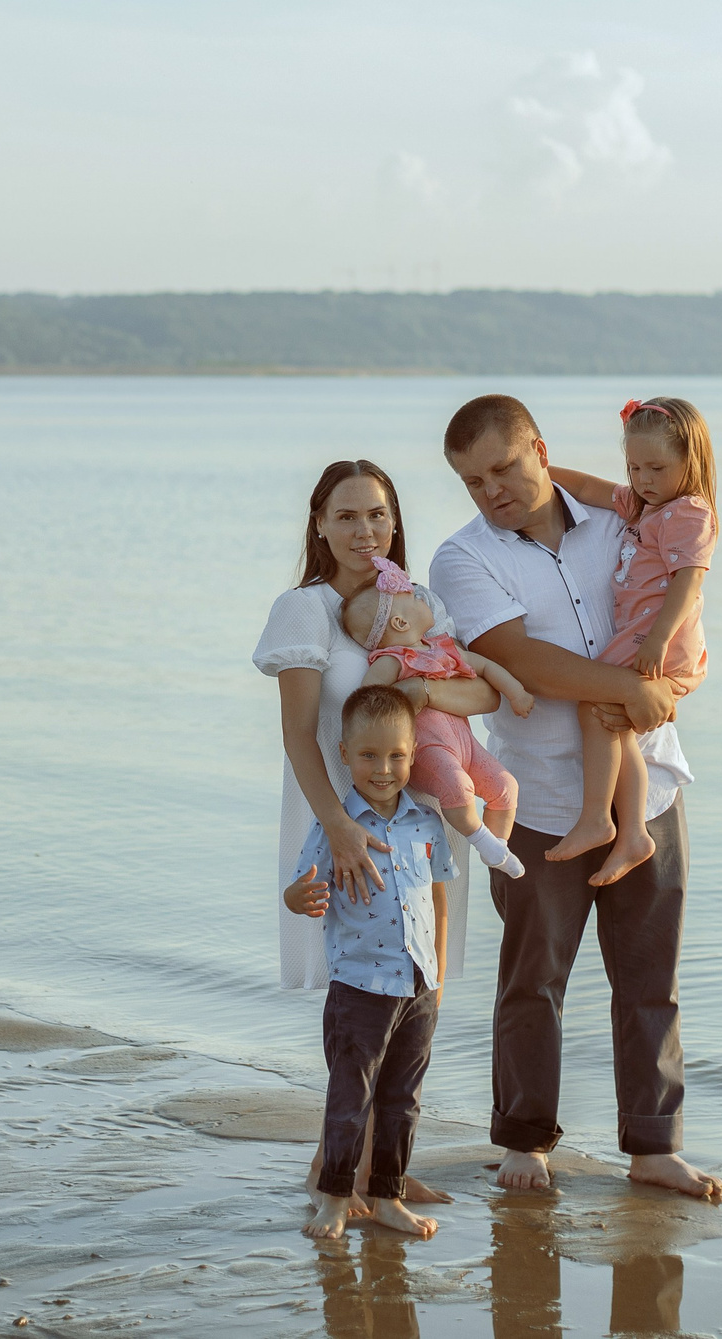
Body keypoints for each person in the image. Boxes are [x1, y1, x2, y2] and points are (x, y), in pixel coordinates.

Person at [428, 394, 722, 1202]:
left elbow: (680, 582)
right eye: (471, 479)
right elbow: (522, 660)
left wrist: (667, 675)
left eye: (504, 466)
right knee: (534, 979)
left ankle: (655, 1147)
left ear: (540, 449)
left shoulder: (624, 512)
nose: (490, 489)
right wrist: (637, 689)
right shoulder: (462, 559)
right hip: (538, 803)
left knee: (650, 979)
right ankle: (526, 1140)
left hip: (651, 782)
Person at [255, 460, 499, 1211]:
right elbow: (299, 736)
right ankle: (337, 1171)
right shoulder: (307, 610)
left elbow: (483, 687)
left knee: (413, 992)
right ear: (320, 523)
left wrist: (419, 688)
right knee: (356, 1001)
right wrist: (338, 829)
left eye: (380, 515)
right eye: (349, 515)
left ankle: (379, 1170)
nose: (367, 531)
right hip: (341, 817)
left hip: (420, 816)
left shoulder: (413, 602)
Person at [284, 684, 456, 1240]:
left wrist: (440, 974)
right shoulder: (336, 829)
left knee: (403, 1101)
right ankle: (334, 1196)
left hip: (419, 986)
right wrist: (300, 900)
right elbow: (298, 889)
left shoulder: (427, 824)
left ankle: (388, 1197)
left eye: (397, 756)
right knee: (349, 1100)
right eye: (368, 755)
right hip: (360, 986)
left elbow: (438, 900)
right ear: (344, 755)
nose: (383, 769)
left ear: (413, 755)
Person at [541, 397, 720, 887]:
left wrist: (658, 640)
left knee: (593, 702)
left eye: (657, 467)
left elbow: (688, 583)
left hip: (658, 634)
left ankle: (601, 819)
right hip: (643, 633)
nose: (644, 478)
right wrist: (535, 469)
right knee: (611, 722)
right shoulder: (643, 504)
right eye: (635, 466)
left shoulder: (688, 513)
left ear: (691, 461)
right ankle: (633, 833)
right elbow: (582, 487)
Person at [343, 555, 531, 878]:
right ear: (400, 623)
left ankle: (497, 847)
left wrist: (516, 691)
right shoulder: (392, 659)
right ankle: (483, 840)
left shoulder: (442, 647)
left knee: (506, 785)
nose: (423, 598)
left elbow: (483, 667)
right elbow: (367, 699)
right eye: (414, 598)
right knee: (458, 787)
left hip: (465, 743)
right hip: (430, 748)